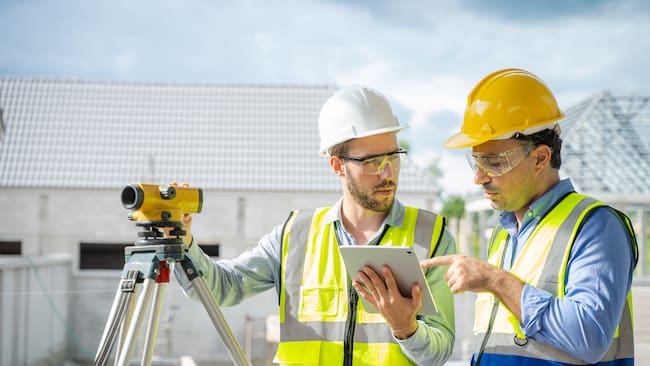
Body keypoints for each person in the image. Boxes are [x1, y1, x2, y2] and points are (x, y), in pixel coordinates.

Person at [172, 86, 456, 365]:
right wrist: (182, 243)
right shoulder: (295, 235)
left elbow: (439, 353)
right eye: (371, 162)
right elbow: (221, 287)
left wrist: (406, 329)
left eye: (393, 158)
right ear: (337, 166)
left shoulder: (430, 237)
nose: (387, 173)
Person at [421, 68, 638, 365]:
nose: (478, 178)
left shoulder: (595, 227)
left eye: (494, 162)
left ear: (540, 158)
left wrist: (495, 281)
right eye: (477, 161)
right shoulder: (504, 235)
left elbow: (589, 337)